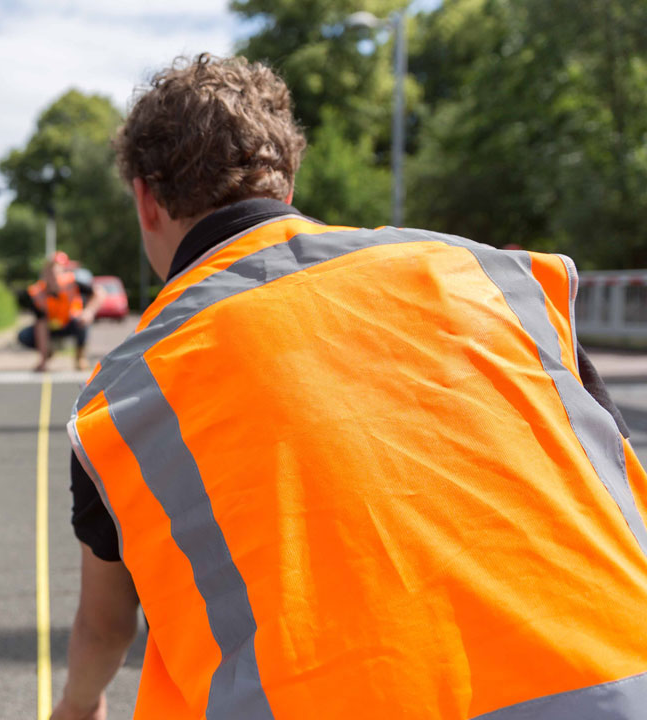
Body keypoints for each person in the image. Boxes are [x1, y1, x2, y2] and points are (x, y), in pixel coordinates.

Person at [53, 54, 647, 720]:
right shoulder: (495, 281)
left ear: (145, 199)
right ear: (286, 179)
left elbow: (105, 628)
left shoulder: (130, 390)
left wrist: (77, 708)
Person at [19, 252, 106, 372]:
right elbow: (41, 325)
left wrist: (89, 311)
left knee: (82, 321)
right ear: (44, 274)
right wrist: (43, 361)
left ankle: (80, 357)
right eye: (50, 273)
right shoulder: (37, 293)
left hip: (71, 323)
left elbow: (100, 292)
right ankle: (48, 353)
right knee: (24, 335)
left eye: (57, 273)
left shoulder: (73, 283)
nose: (54, 277)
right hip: (51, 328)